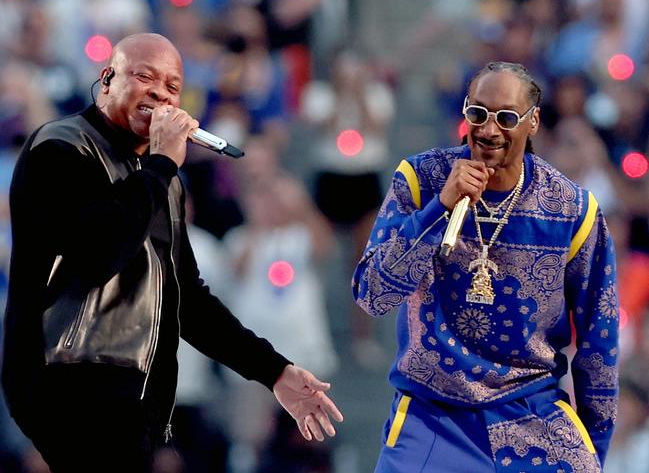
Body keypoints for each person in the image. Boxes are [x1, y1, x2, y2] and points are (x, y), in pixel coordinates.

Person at [1, 32, 343, 472]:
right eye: (144, 76)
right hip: (70, 377)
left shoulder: (163, 180)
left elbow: (189, 300)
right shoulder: (61, 147)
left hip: (134, 392)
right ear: (106, 80)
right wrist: (162, 162)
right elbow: (98, 255)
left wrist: (274, 371)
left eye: (173, 86)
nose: (160, 92)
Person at [352, 61, 618, 472]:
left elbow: (599, 343)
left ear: (533, 123)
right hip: (432, 408)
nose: (489, 130)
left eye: (506, 118)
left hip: (533, 409)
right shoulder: (422, 180)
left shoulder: (573, 211)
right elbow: (371, 294)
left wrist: (593, 451)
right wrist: (439, 208)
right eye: (477, 113)